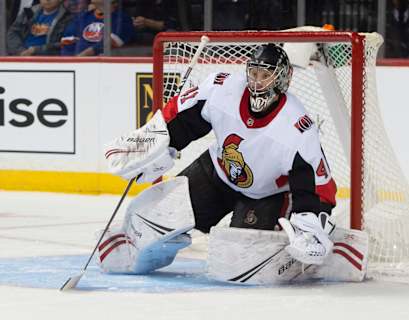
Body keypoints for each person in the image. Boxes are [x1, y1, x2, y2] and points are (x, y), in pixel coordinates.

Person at [102, 44, 339, 280]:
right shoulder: (222, 88)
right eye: (254, 74)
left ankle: (314, 253)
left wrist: (309, 222)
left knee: (238, 262)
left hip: (265, 195)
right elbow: (183, 120)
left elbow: (318, 187)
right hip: (215, 173)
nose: (257, 82)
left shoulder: (297, 127)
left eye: (266, 76)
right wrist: (154, 145)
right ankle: (129, 248)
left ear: (282, 79)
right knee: (160, 215)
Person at [60, 0, 134, 56]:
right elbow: (67, 41)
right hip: (77, 66)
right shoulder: (83, 17)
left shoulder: (122, 19)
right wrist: (70, 62)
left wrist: (82, 57)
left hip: (104, 67)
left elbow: (107, 44)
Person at [6, 0, 72, 56]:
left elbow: (68, 42)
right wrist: (21, 51)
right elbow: (12, 33)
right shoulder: (28, 12)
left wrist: (36, 50)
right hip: (21, 57)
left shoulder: (67, 17)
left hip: (48, 61)